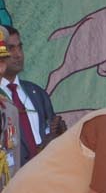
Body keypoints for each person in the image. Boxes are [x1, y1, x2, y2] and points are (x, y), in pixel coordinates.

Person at [2, 25, 64, 168]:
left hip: (45, 175)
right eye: (10, 48)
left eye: (20, 47)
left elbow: (50, 134)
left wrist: (57, 134)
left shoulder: (37, 93)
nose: (18, 54)